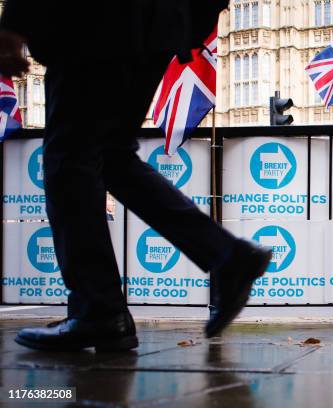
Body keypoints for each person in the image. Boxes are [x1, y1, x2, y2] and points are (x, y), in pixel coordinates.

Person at [0, 0, 270, 351]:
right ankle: (226, 256)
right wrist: (186, 20)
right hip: (158, 24)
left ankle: (99, 309)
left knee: (70, 160)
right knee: (110, 156)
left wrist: (15, 22)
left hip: (94, 21)